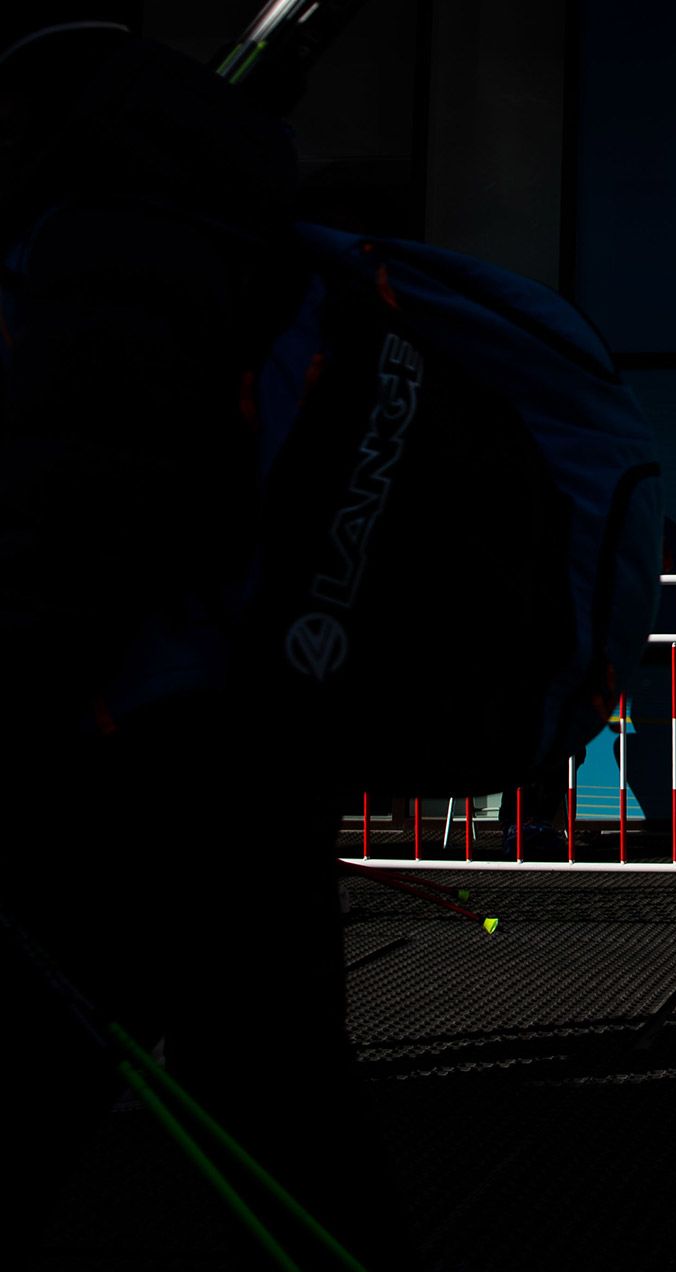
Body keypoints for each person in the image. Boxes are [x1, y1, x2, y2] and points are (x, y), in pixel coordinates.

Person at [0, 15, 408, 1265]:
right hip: (256, 738)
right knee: (282, 1093)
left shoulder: (103, 256)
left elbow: (79, 523)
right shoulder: (253, 252)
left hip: (117, 751)